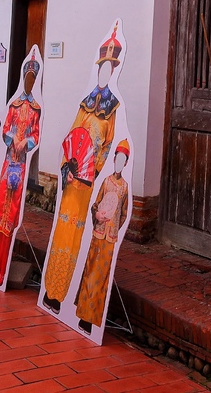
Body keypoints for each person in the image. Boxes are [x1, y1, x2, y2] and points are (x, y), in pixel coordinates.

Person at [42, 25, 122, 313]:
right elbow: (72, 138)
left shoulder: (114, 110)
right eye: (102, 66)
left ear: (115, 71)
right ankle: (50, 289)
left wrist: (93, 170)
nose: (105, 72)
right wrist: (69, 167)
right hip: (72, 181)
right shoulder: (85, 103)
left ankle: (64, 295)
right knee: (62, 233)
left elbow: (108, 147)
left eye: (110, 67)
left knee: (77, 237)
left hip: (89, 184)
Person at [0, 55, 41, 285]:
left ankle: (3, 264)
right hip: (10, 160)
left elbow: (36, 135)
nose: (29, 82)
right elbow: (6, 129)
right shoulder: (15, 105)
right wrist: (12, 140)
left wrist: (26, 142)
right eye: (27, 78)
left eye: (33, 78)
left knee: (11, 215)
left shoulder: (36, 110)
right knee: (0, 210)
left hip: (20, 166)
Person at [74, 140, 131, 334]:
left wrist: (116, 227)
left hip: (110, 238)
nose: (119, 163)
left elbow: (124, 213)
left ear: (125, 164)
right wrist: (97, 214)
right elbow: (95, 203)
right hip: (98, 233)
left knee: (102, 277)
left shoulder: (125, 188)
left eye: (123, 161)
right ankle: (82, 315)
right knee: (91, 271)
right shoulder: (106, 181)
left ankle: (93, 318)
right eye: (118, 159)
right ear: (114, 159)